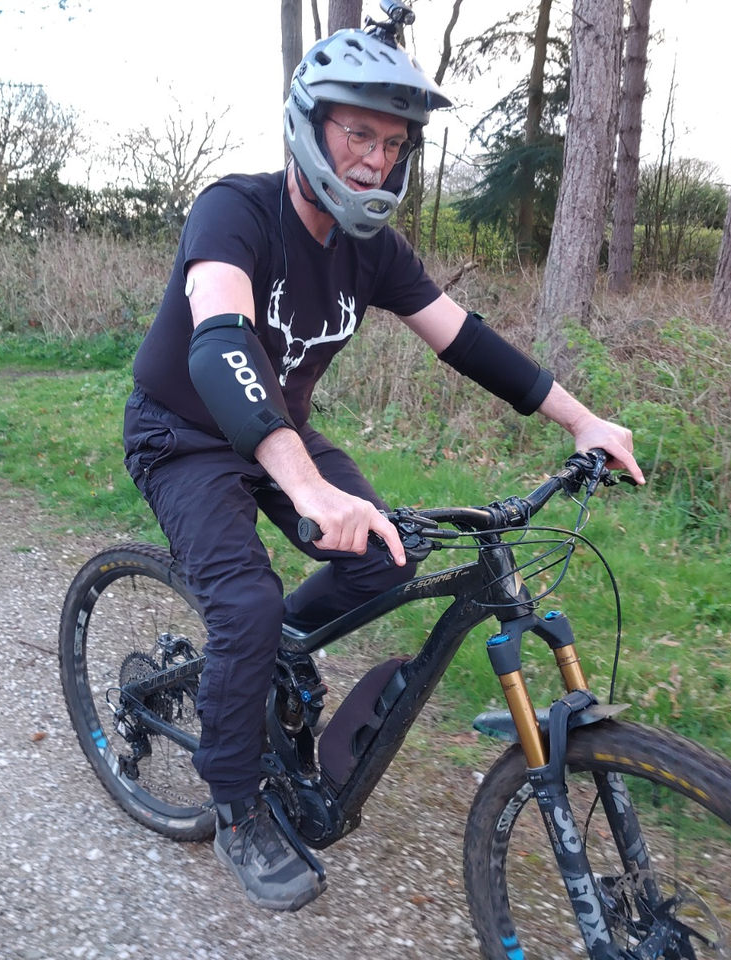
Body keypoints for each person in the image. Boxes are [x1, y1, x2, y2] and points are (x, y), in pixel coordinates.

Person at [122, 11, 644, 913]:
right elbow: (218, 344)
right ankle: (236, 799)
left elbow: (465, 340)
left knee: (381, 558)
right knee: (242, 601)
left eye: (392, 143)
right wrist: (305, 484)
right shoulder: (235, 210)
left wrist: (582, 419)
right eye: (357, 132)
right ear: (311, 123)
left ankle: (258, 664)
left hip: (278, 430)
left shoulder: (374, 250)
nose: (374, 159)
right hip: (184, 433)